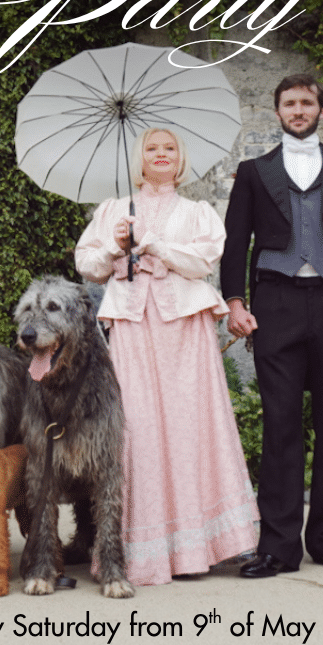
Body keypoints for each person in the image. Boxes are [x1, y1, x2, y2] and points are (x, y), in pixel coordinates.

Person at [74, 127, 259, 585]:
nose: (161, 154)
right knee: (138, 427)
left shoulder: (197, 212)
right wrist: (118, 244)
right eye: (152, 148)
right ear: (140, 158)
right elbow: (88, 265)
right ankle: (138, 551)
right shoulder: (113, 211)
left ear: (180, 160)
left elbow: (202, 262)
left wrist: (154, 244)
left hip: (184, 331)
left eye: (169, 149)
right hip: (134, 331)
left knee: (191, 425)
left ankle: (203, 546)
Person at [223, 74, 323, 577]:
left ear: (320, 108)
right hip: (275, 302)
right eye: (289, 103)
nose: (298, 110)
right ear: (278, 112)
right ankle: (277, 547)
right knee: (280, 425)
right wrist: (233, 300)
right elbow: (235, 243)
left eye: (306, 102)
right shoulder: (253, 172)